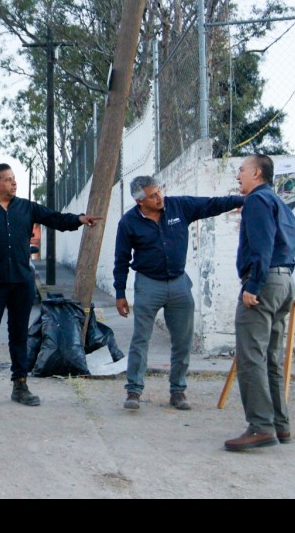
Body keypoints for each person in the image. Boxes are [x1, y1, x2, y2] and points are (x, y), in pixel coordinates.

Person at [0, 163, 100, 409]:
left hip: (21, 282)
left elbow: (54, 218)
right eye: (8, 179)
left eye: (14, 178)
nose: (14, 183)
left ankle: (20, 385)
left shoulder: (26, 207)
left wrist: (79, 219)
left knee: (18, 335)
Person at [114, 175, 244, 411]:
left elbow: (211, 204)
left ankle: (178, 391)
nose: (159, 197)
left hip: (179, 284)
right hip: (148, 285)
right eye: (153, 195)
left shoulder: (179, 206)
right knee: (141, 339)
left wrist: (241, 200)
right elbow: (121, 259)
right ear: (140, 201)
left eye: (159, 191)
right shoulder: (128, 223)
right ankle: (134, 390)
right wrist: (120, 293)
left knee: (183, 340)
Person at [224, 154, 295, 451]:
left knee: (251, 356)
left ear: (256, 173)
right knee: (270, 357)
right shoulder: (280, 203)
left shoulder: (256, 201)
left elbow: (262, 244)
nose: (238, 175)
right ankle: (280, 425)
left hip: (263, 283)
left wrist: (253, 285)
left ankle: (260, 427)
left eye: (242, 170)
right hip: (284, 282)